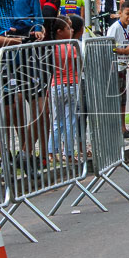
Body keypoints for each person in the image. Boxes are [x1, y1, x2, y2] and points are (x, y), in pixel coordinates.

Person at [47, 16, 81, 161]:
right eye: (68, 28)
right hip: (70, 85)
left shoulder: (51, 47)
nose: (71, 30)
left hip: (56, 86)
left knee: (57, 120)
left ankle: (51, 152)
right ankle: (68, 153)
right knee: (70, 121)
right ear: (60, 31)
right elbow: (79, 62)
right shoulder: (70, 47)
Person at [108, 3, 129, 140]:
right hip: (114, 68)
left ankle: (123, 127)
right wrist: (123, 51)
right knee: (116, 99)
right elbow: (108, 47)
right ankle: (115, 128)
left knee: (123, 100)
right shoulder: (114, 28)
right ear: (120, 13)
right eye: (127, 14)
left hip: (122, 67)